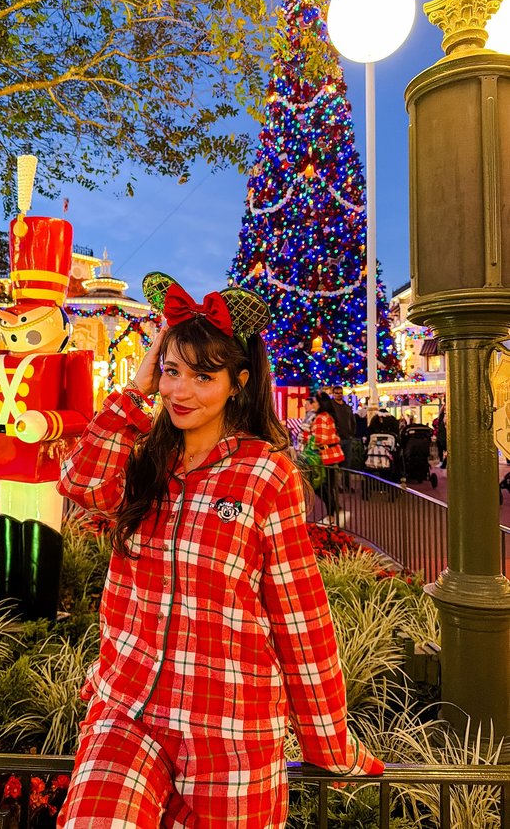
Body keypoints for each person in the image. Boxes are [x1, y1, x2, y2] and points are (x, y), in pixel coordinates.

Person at [57, 273, 382, 828]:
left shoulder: (264, 473)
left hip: (231, 726)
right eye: (171, 371)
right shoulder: (143, 460)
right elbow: (81, 484)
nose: (180, 392)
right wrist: (136, 390)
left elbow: (299, 618)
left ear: (239, 382)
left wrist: (330, 746)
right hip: (128, 711)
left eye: (203, 376)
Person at [301, 391, 345, 524]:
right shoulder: (328, 416)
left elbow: (319, 439)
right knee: (328, 486)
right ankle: (335, 509)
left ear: (320, 403)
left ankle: (332, 512)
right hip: (334, 455)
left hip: (324, 457)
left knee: (321, 486)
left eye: (313, 402)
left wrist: (306, 436)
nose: (312, 405)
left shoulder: (320, 418)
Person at [330, 386, 355, 469]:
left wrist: (351, 434)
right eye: (337, 393)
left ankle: (346, 482)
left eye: (340, 393)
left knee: (347, 464)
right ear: (333, 394)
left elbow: (352, 421)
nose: (339, 395)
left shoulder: (347, 407)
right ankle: (334, 482)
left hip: (347, 438)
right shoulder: (330, 407)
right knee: (334, 464)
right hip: (336, 439)